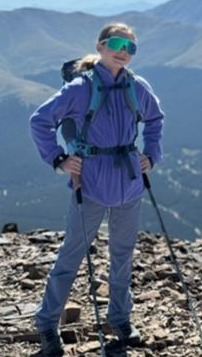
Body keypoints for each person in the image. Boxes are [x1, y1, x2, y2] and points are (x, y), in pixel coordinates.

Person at [28, 22, 164, 355]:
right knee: (72, 257)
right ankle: (47, 324)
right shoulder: (80, 88)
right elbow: (40, 121)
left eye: (131, 48)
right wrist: (59, 159)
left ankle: (120, 320)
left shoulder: (137, 86)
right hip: (89, 183)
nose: (124, 52)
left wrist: (152, 154)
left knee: (122, 257)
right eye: (118, 44)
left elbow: (156, 119)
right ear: (101, 46)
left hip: (129, 184)